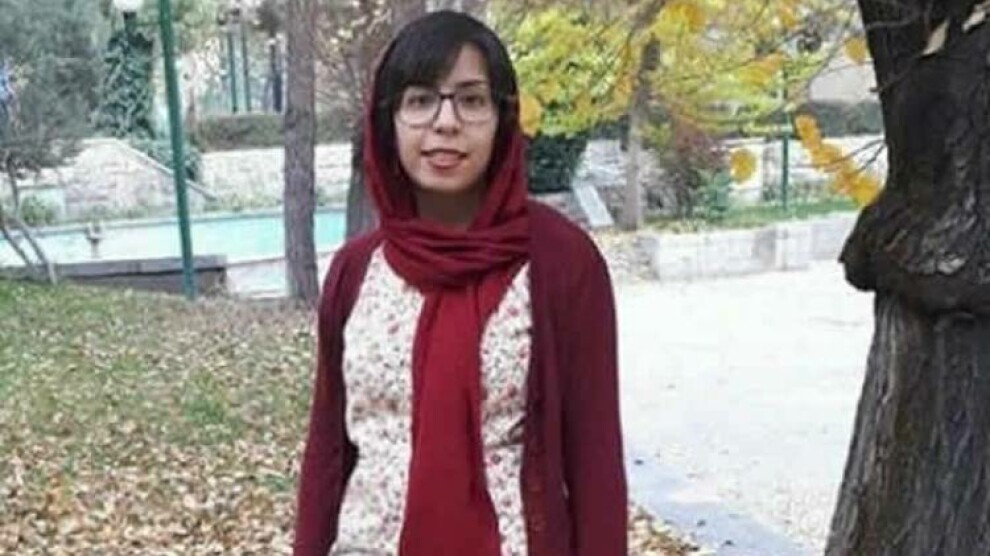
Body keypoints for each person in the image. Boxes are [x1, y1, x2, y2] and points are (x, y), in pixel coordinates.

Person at [293, 10, 626, 556]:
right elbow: (327, 452)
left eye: (471, 100)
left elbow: (596, 463)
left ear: (502, 119)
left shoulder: (563, 263)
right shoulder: (356, 270)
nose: (445, 122)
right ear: (389, 120)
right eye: (420, 100)